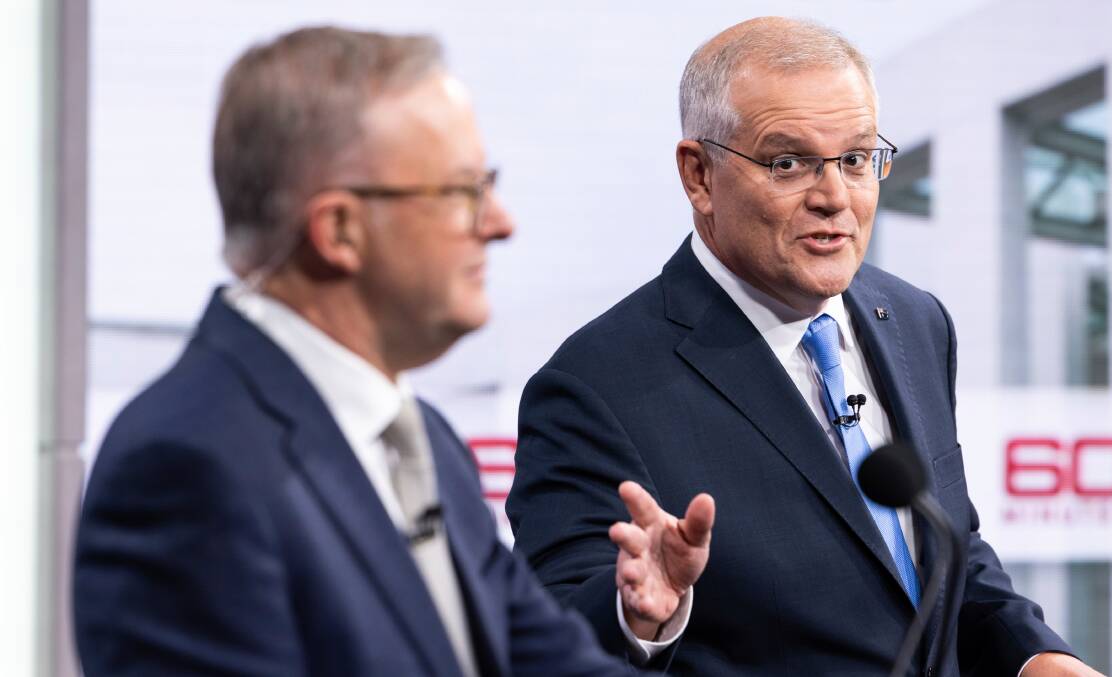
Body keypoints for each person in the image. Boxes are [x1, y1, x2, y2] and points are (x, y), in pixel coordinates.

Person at [73, 26, 713, 677]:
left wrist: (636, 619)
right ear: (340, 229)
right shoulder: (188, 465)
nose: (500, 222)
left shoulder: (423, 440)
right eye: (464, 191)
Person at [507, 17, 1103, 676]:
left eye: (854, 160)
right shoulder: (597, 385)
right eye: (787, 162)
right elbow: (552, 643)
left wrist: (1035, 656)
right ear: (699, 175)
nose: (834, 197)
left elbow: (946, 549)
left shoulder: (914, 320)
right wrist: (643, 617)